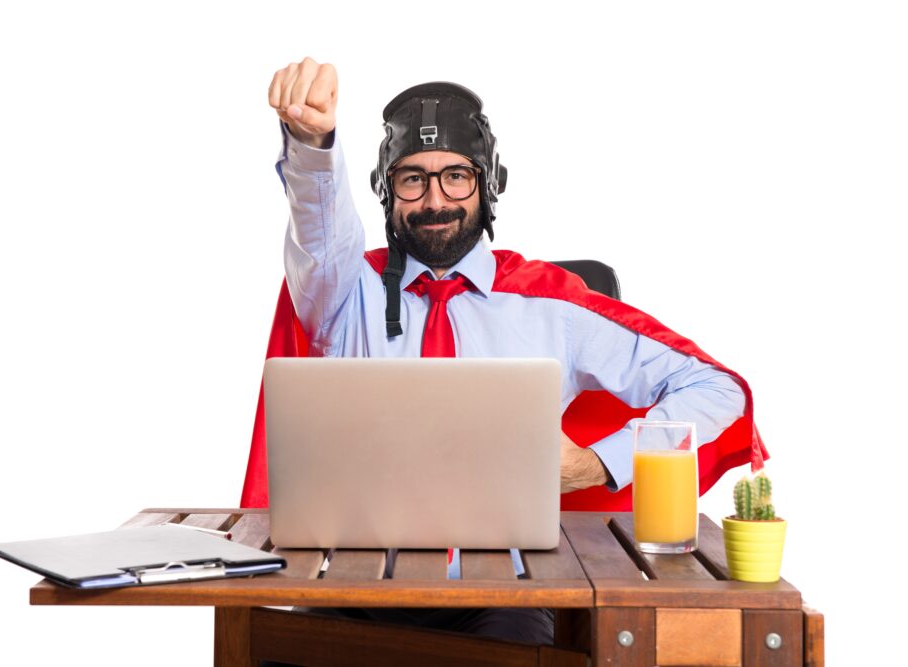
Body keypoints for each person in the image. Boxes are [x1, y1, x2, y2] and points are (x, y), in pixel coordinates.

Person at [247, 57, 766, 653]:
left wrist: (599, 462)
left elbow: (718, 390)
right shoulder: (341, 293)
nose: (434, 199)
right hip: (350, 581)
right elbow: (320, 228)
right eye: (411, 179)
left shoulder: (554, 306)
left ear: (489, 182)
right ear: (386, 192)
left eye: (456, 176)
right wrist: (312, 142)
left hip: (502, 593)